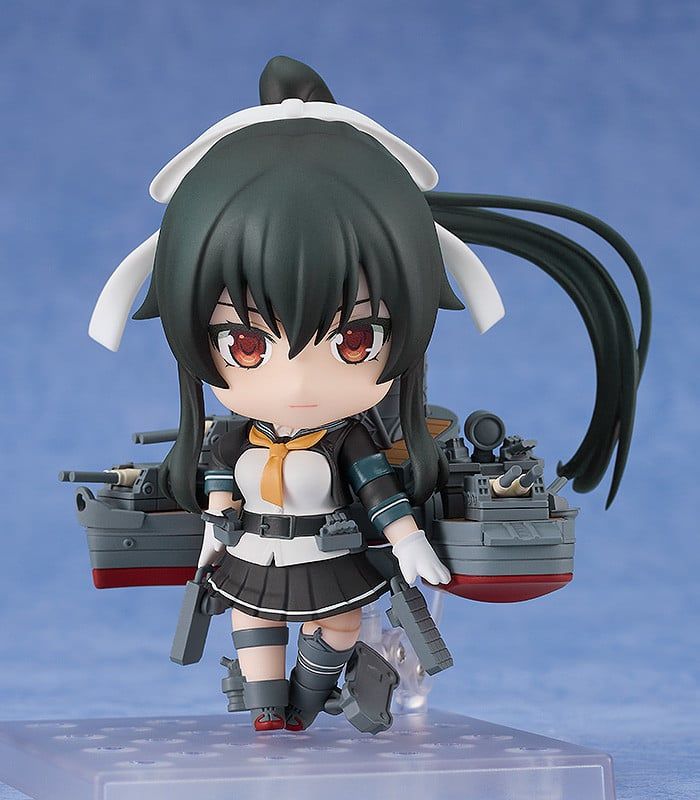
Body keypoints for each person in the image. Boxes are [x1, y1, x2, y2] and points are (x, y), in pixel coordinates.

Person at [88, 56, 650, 732]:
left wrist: (407, 540)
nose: (298, 383)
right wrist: (213, 528)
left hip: (328, 558)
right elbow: (217, 482)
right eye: (246, 346)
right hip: (249, 555)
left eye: (354, 341)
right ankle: (267, 708)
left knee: (340, 625)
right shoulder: (232, 438)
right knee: (250, 623)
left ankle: (307, 698)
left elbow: (378, 491)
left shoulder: (350, 439)